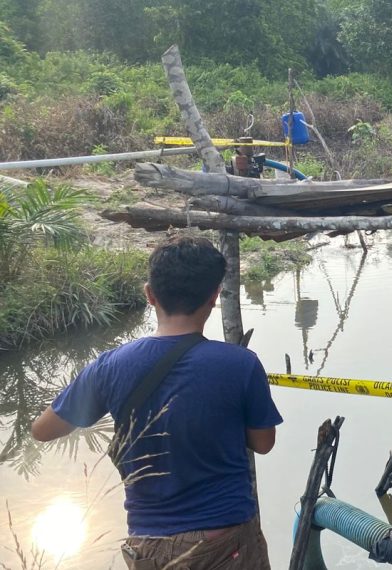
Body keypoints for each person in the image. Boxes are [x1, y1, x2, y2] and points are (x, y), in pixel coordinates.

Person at [31, 235, 283, 569]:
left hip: (151, 549)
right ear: (214, 297)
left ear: (150, 294)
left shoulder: (110, 366)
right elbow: (263, 443)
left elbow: (42, 430)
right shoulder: (241, 364)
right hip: (225, 544)